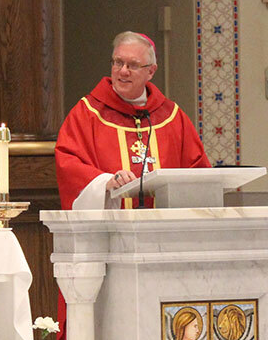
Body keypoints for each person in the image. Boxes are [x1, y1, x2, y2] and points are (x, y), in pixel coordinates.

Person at [55, 31, 211, 209]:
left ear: (151, 71)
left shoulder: (172, 117)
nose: (123, 71)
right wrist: (106, 182)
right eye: (118, 62)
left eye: (133, 65)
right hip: (110, 230)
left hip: (165, 231)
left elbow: (198, 173)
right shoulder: (87, 113)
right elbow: (69, 165)